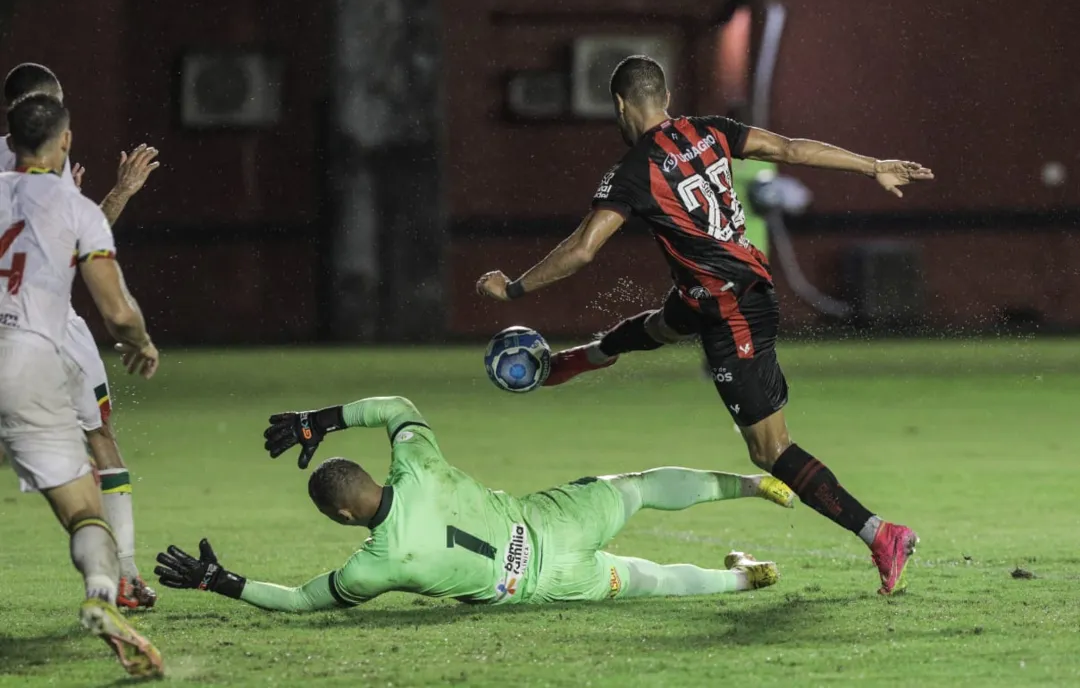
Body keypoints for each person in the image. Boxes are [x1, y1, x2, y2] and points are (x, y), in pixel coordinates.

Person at [475, 55, 934, 595]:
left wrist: (514, 288)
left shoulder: (633, 169)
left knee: (770, 450)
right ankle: (580, 359)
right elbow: (787, 148)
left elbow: (581, 250)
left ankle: (881, 534)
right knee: (663, 324)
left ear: (620, 106)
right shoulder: (711, 130)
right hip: (711, 294)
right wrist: (872, 164)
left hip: (732, 309)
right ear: (665, 98)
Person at [153, 395, 794, 610]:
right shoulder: (417, 464)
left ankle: (742, 581)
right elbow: (397, 409)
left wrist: (220, 581)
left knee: (653, 583)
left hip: (544, 581)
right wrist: (316, 421)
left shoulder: (375, 565)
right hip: (548, 519)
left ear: (342, 516)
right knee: (642, 487)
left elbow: (297, 600)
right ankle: (754, 483)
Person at [0, 93, 163, 677]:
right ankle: (104, 587)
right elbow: (116, 311)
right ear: (64, 141)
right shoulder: (72, 206)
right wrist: (139, 340)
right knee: (83, 510)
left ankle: (119, 581)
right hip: (27, 362)